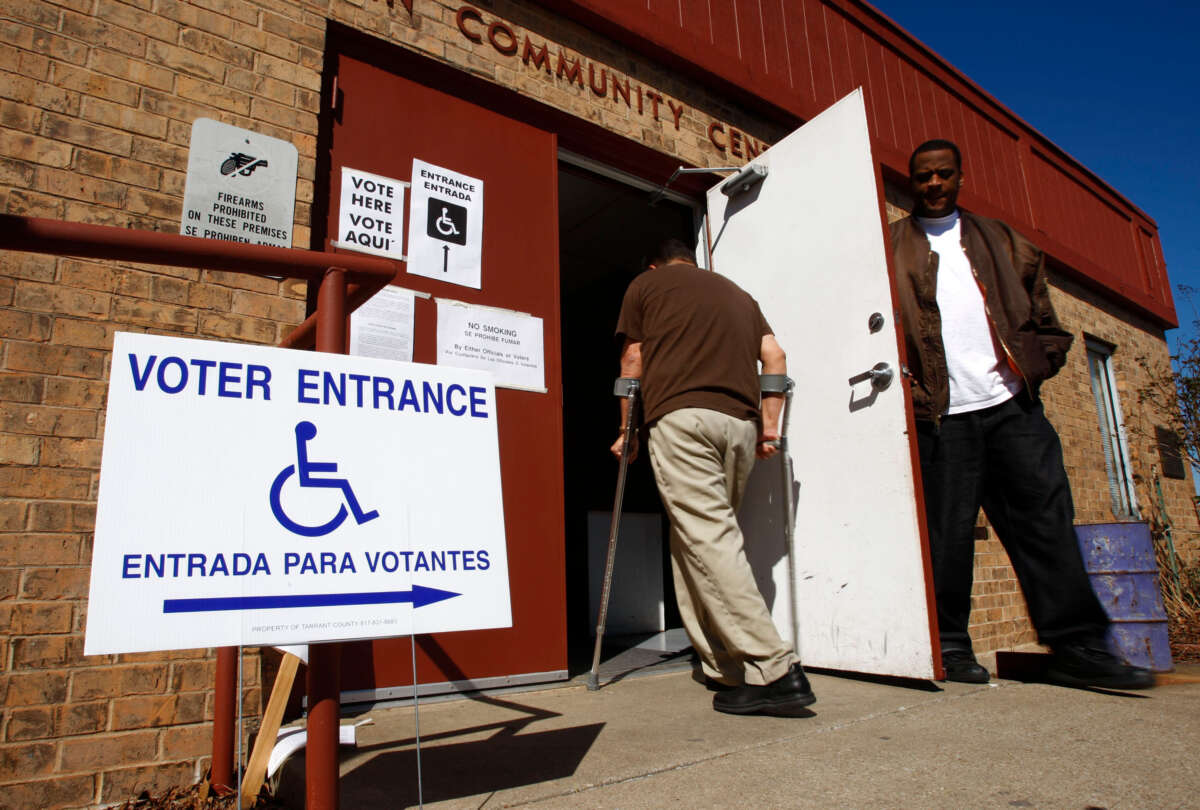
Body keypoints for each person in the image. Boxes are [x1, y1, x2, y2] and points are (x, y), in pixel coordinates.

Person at [891, 139, 1153, 689]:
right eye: (922, 177)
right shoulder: (890, 245)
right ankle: (952, 647)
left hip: (1012, 409)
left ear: (960, 177)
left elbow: (1045, 319)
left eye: (943, 174)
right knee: (948, 534)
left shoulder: (1003, 240)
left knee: (1046, 524)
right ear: (910, 182)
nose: (933, 184)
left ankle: (1078, 646)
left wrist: (1033, 367)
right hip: (941, 415)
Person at [610, 238, 815, 716]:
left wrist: (628, 430)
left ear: (656, 263)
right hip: (739, 427)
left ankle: (774, 668)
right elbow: (776, 358)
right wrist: (768, 427)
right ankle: (721, 664)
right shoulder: (740, 295)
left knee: (707, 539)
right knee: (696, 542)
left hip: (682, 419)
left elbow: (633, 362)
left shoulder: (646, 284)